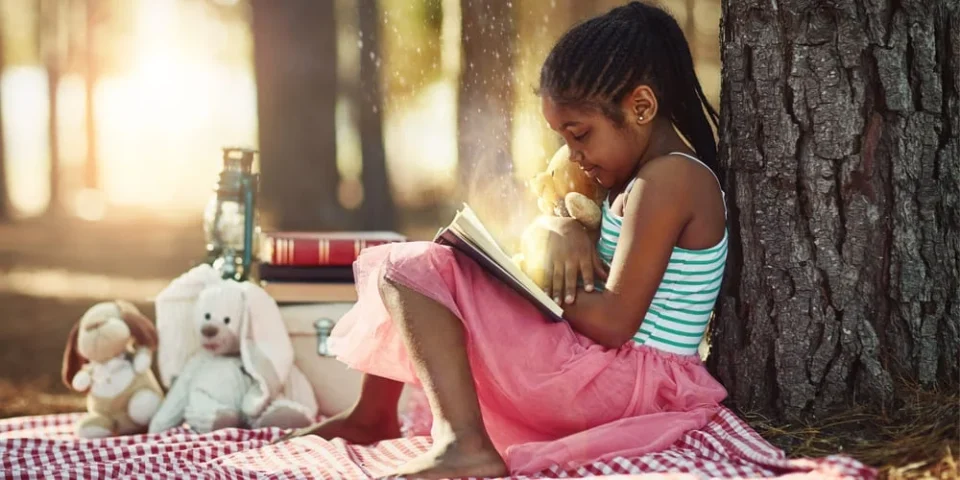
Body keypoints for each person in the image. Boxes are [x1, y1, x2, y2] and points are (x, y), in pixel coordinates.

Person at [289, 2, 729, 478]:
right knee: (424, 269)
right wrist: (554, 229)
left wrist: (521, 273)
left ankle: (465, 444)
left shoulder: (669, 180)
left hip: (627, 383)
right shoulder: (633, 175)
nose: (572, 154)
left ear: (641, 107)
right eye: (562, 137)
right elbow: (581, 241)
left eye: (579, 134)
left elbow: (616, 320)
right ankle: (371, 416)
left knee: (411, 270)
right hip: (612, 373)